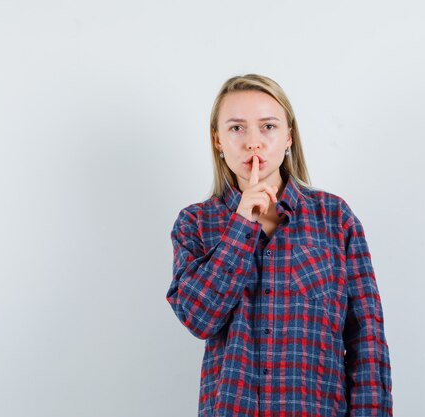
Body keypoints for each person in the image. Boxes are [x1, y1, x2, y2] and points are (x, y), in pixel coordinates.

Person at [166, 74, 392, 416]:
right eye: (237, 128)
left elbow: (366, 340)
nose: (253, 143)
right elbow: (200, 319)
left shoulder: (335, 217)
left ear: (288, 137)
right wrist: (242, 223)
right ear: (218, 140)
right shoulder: (195, 223)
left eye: (268, 127)